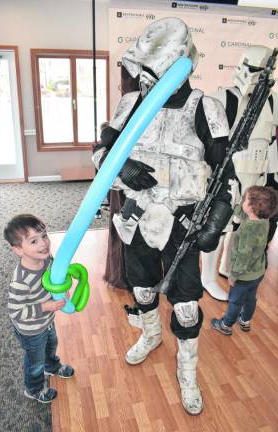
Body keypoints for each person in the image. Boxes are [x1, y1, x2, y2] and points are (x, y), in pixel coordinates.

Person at [93, 17, 235, 415]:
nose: (147, 80)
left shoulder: (205, 108)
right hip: (138, 215)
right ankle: (151, 335)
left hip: (184, 222)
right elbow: (99, 150)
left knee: (186, 303)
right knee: (141, 285)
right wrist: (121, 168)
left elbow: (226, 174)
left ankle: (187, 372)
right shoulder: (132, 104)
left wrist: (217, 220)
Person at [201, 45, 278, 301]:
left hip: (257, 176)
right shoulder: (223, 98)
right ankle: (208, 277)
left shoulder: (272, 100)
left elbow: (273, 140)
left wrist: (271, 175)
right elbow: (206, 141)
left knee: (240, 226)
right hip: (228, 175)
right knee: (218, 226)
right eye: (255, 69)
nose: (259, 77)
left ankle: (227, 266)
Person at [4, 214, 74, 403]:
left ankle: (51, 366)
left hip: (46, 321)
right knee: (35, 361)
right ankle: (33, 388)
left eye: (44, 236)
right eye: (34, 241)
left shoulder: (46, 260)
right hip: (31, 329)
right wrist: (45, 306)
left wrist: (62, 292)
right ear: (18, 249)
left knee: (51, 346)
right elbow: (16, 311)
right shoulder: (20, 281)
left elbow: (54, 280)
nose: (43, 243)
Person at [211, 186, 278, 335]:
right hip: (258, 272)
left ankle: (226, 325)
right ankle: (245, 320)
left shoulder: (248, 230)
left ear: (252, 207)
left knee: (235, 301)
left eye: (245, 199)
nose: (243, 200)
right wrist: (236, 206)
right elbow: (245, 215)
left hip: (243, 276)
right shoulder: (264, 220)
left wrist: (234, 276)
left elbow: (243, 258)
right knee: (250, 298)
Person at [94, 121, 110, 219]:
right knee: (99, 191)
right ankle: (97, 209)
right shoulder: (99, 145)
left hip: (109, 172)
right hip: (100, 172)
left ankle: (109, 204)